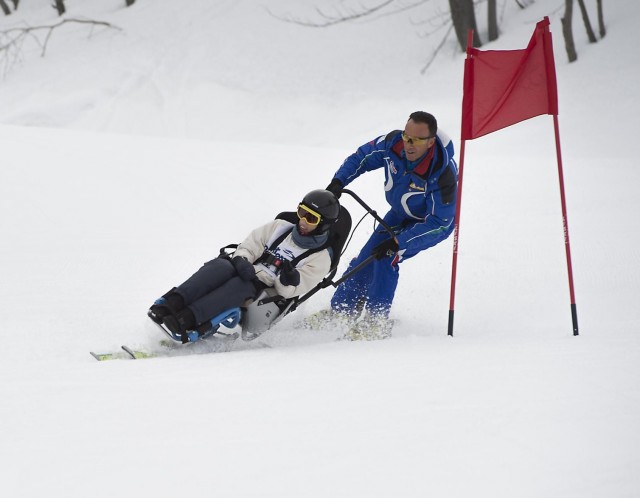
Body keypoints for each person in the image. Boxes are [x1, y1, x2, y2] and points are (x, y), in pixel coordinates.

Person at [313, 111, 458, 340]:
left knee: (387, 255)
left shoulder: (442, 174)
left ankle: (376, 322)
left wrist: (398, 241)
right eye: (406, 137)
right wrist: (338, 182)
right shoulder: (393, 144)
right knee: (365, 258)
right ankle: (342, 311)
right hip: (399, 214)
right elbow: (361, 157)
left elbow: (441, 222)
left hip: (429, 224)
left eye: (417, 141)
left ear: (430, 142)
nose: (409, 145)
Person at [148, 190, 340, 343]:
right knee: (220, 267)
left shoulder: (321, 258)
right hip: (245, 270)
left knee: (240, 286)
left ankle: (186, 319)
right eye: (302, 213)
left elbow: (294, 289)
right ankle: (172, 303)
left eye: (311, 218)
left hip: (266, 292)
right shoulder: (279, 227)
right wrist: (241, 260)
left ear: (323, 225)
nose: (303, 221)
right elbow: (250, 245)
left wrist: (287, 279)